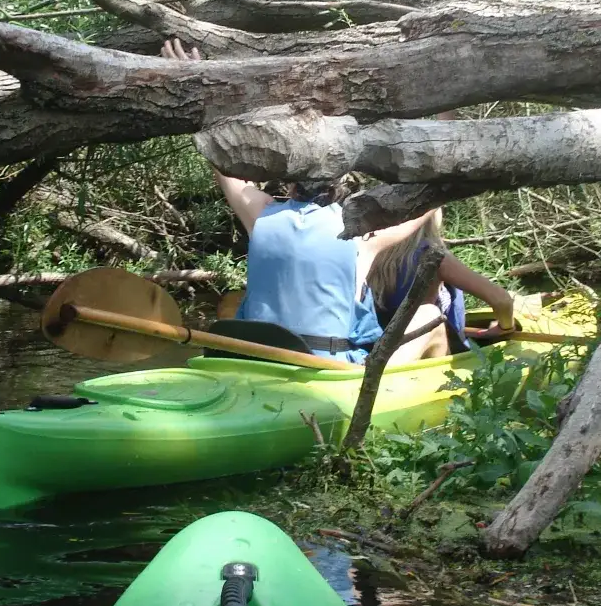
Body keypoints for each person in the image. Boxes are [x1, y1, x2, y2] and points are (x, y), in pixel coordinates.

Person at [161, 38, 446, 365]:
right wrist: (446, 111)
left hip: (253, 365)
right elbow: (427, 197)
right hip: (328, 377)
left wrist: (194, 86)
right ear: (341, 176)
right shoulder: (362, 235)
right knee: (429, 317)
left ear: (289, 178)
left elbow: (221, 156)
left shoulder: (261, 214)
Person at [369, 209, 517, 353]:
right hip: (434, 351)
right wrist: (505, 327)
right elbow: (501, 300)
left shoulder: (374, 256)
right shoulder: (434, 255)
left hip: (390, 348)